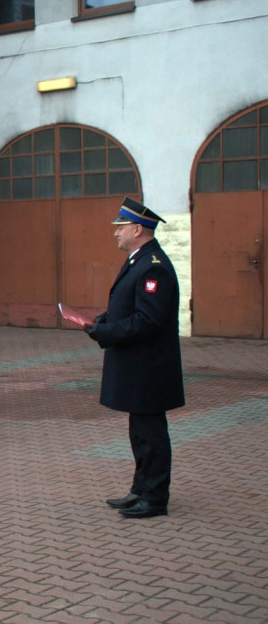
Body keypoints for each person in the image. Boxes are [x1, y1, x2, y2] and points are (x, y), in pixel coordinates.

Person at [84, 197, 184, 519]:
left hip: (149, 368)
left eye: (120, 227)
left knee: (151, 434)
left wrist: (108, 332)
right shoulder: (138, 260)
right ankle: (140, 489)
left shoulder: (153, 266)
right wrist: (104, 321)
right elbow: (129, 306)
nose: (116, 233)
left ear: (137, 229)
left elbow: (148, 320)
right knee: (140, 432)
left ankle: (154, 498)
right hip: (138, 367)